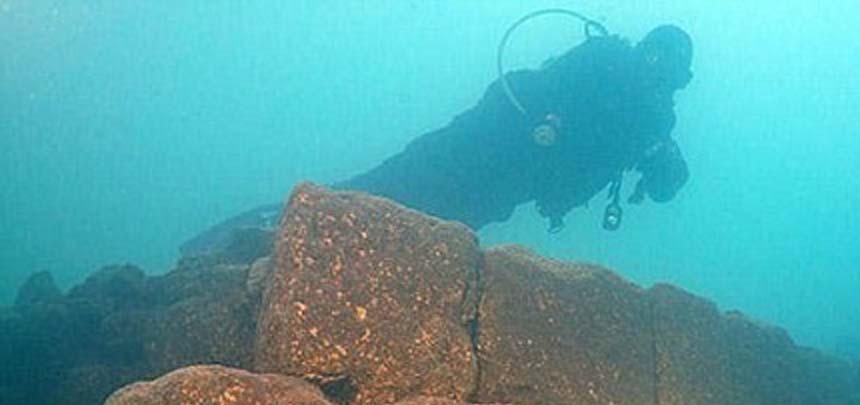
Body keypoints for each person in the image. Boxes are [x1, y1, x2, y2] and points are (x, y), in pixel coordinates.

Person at [181, 21, 692, 257]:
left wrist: (660, 160)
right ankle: (257, 233)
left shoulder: (651, 121)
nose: (659, 77)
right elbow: (564, 103)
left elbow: (652, 179)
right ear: (646, 53)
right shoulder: (607, 61)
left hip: (508, 182)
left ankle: (285, 240)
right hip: (488, 141)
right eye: (657, 64)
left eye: (669, 75)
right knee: (388, 188)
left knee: (417, 226)